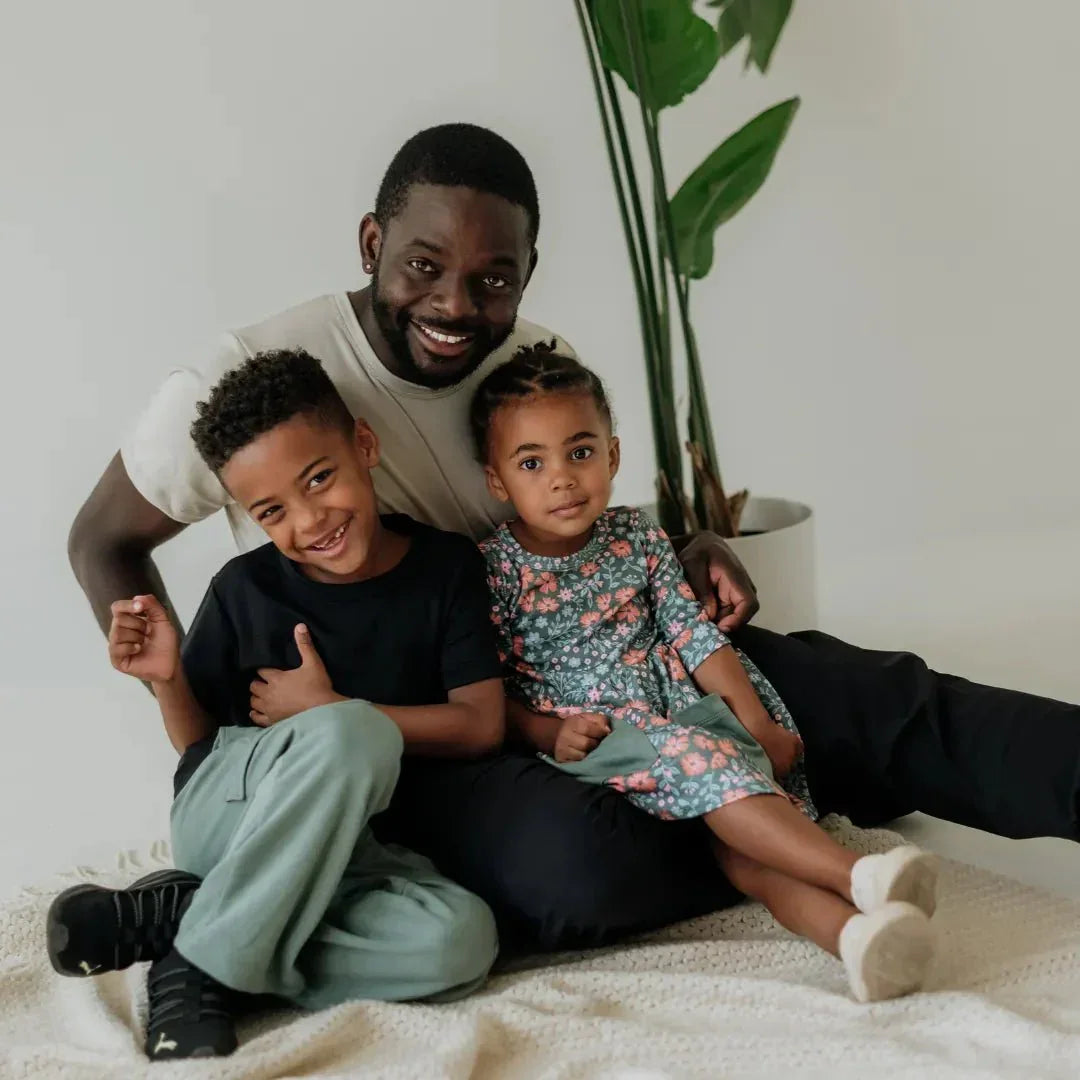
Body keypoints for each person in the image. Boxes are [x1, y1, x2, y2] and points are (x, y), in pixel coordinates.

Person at [66, 122, 1079, 955]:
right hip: (448, 733)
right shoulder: (252, 375)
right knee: (579, 872)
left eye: (492, 279)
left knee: (874, 701)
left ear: (527, 273)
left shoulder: (535, 360)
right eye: (424, 266)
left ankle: (807, 792)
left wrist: (684, 548)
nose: (457, 305)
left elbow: (589, 520)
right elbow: (103, 538)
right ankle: (778, 822)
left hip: (620, 662)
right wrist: (220, 731)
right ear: (372, 244)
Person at [48, 349, 502, 1059]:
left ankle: (194, 925)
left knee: (461, 943)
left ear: (364, 445)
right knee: (354, 734)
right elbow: (203, 754)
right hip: (233, 824)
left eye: (319, 479)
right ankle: (205, 965)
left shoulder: (446, 569)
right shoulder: (244, 591)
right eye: (272, 511)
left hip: (350, 850)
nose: (309, 519)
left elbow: (481, 726)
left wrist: (332, 706)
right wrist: (170, 680)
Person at [473, 343, 940, 1002]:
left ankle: (856, 943)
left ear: (613, 454)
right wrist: (545, 732)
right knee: (703, 761)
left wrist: (756, 724)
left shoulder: (636, 536)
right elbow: (487, 685)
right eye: (531, 462)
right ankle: (857, 874)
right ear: (496, 481)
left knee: (747, 857)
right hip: (608, 739)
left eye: (580, 452)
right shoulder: (493, 571)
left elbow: (695, 637)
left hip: (682, 713)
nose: (562, 478)